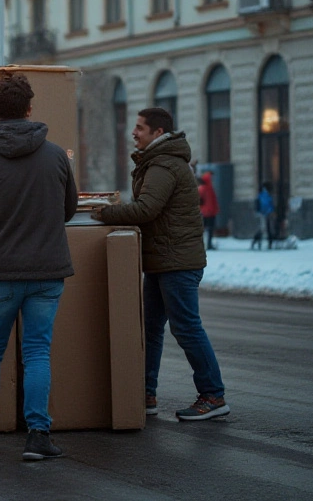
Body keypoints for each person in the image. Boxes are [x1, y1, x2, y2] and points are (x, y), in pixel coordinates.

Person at [0, 71, 77, 461]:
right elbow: (69, 210)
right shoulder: (57, 154)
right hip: (47, 270)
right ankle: (38, 436)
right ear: (30, 109)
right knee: (38, 352)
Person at [95, 107, 229, 422]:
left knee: (186, 328)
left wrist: (103, 212)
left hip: (177, 262)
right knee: (152, 328)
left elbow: (146, 209)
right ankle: (144, 393)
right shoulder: (157, 162)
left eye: (140, 128)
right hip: (163, 260)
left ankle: (213, 395)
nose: (134, 132)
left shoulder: (164, 165)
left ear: (158, 133)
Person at [198, 172, 219, 251]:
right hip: (207, 212)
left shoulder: (203, 188)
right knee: (208, 230)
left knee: (207, 230)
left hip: (207, 212)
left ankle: (206, 244)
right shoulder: (205, 188)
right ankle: (207, 244)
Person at [252, 183, 275, 251]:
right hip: (265, 213)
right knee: (267, 229)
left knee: (263, 229)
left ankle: (257, 241)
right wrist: (271, 210)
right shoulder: (266, 195)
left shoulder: (261, 195)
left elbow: (259, 204)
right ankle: (268, 243)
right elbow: (268, 204)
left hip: (262, 213)